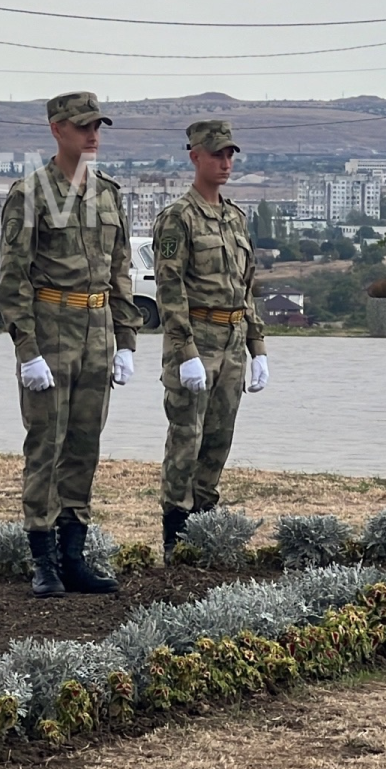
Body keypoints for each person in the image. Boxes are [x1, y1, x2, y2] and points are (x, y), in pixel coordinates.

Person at [0, 91, 143, 597]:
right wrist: (26, 350)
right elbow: (13, 279)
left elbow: (120, 268)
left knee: (84, 445)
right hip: (51, 328)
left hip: (97, 329)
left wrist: (126, 338)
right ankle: (43, 559)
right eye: (82, 126)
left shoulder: (108, 192)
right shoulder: (31, 192)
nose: (92, 134)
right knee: (46, 445)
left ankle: (74, 554)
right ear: (57, 129)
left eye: (97, 125)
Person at [151, 120, 269, 557]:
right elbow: (169, 287)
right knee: (187, 438)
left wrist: (258, 347)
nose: (226, 162)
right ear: (194, 155)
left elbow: (247, 285)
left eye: (230, 154)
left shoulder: (234, 217)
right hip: (197, 338)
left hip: (233, 339)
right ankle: (176, 538)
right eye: (217, 154)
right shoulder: (178, 218)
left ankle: (203, 528)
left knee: (219, 438)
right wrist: (185, 352)